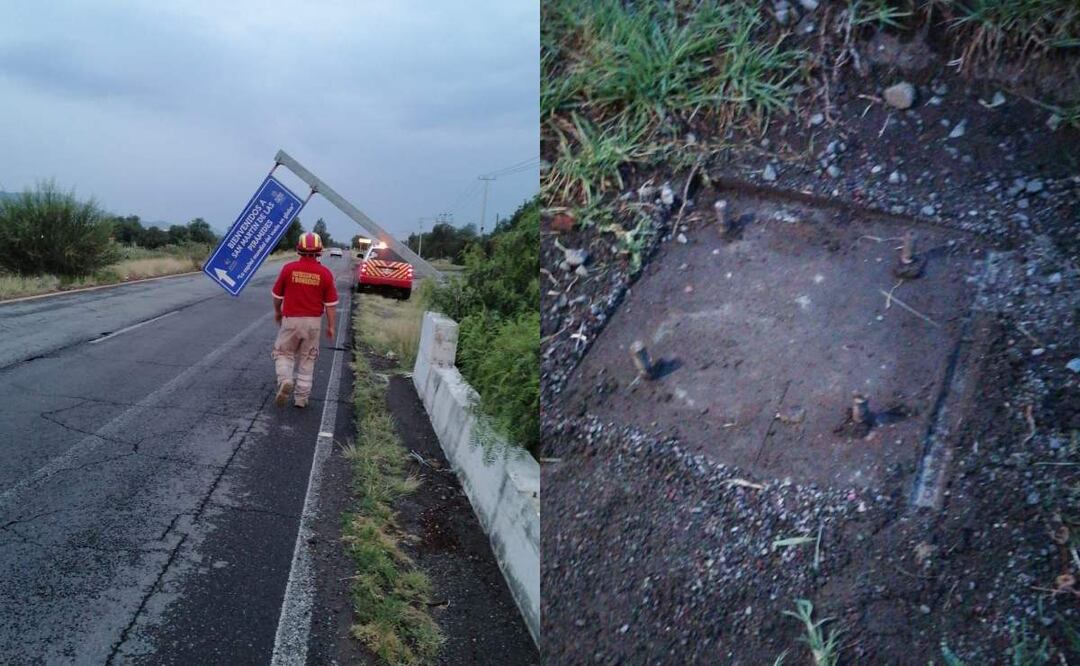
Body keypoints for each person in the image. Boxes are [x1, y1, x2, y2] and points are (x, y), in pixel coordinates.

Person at [270, 231, 338, 408]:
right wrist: (331, 326)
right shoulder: (325, 273)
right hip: (313, 323)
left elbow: (277, 296)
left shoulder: (289, 269)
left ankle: (285, 379)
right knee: (308, 359)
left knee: (283, 353)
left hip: (291, 320)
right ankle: (301, 398)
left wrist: (277, 311)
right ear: (319, 251)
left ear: (298, 249)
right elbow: (330, 305)